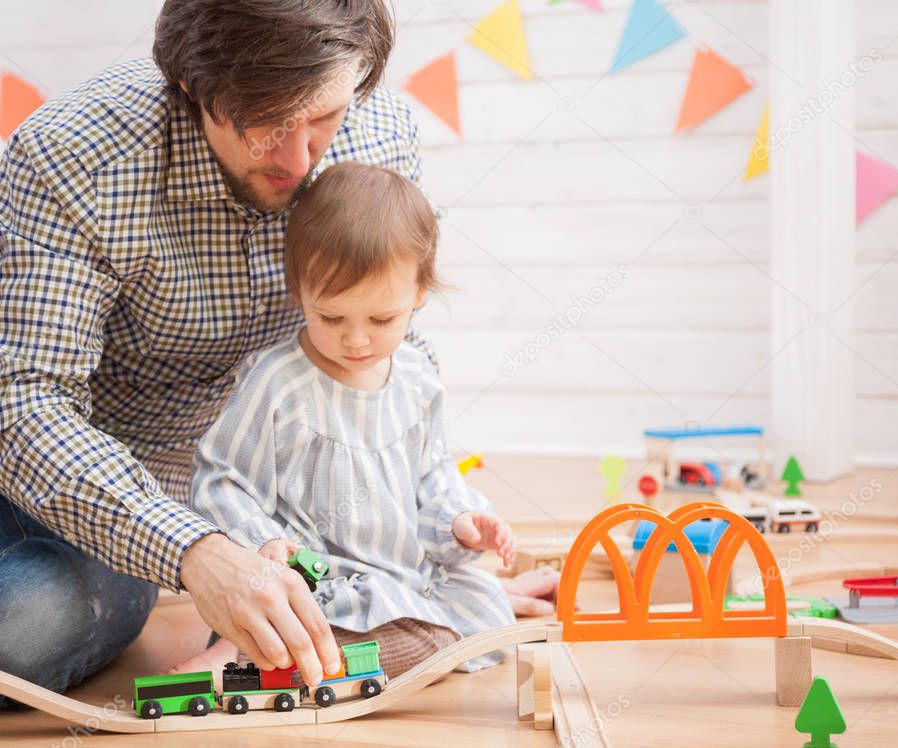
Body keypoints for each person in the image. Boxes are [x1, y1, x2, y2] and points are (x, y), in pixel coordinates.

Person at [0, 0, 556, 706]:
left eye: (324, 117)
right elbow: (24, 404)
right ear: (189, 88)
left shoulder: (379, 134)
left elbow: (388, 376)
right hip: (93, 491)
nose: (299, 161)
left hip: (263, 517)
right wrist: (196, 553)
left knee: (24, 620)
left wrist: (433, 573)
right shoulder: (74, 155)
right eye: (266, 125)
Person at [174, 161, 517, 680]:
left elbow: (434, 476)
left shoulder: (418, 380)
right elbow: (222, 479)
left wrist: (460, 522)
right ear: (299, 290)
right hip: (316, 580)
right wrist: (261, 541)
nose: (356, 340)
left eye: (382, 320)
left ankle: (317, 660)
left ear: (418, 296)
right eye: (331, 317)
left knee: (487, 611)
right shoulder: (278, 384)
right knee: (312, 618)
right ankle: (247, 654)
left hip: (399, 578)